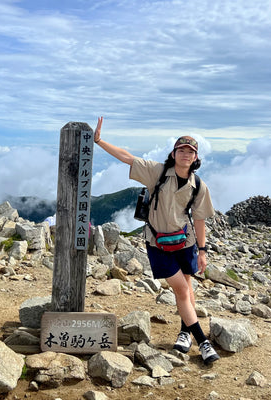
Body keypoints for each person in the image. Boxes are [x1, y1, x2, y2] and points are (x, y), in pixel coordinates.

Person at [94, 116, 220, 364]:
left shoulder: (199, 186)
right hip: (158, 243)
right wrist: (99, 142)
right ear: (173, 154)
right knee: (182, 289)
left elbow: (201, 219)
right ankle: (203, 341)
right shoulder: (157, 172)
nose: (185, 154)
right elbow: (128, 157)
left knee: (187, 288)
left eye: (190, 151)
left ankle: (184, 333)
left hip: (186, 242)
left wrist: (203, 251)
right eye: (181, 150)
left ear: (195, 158)